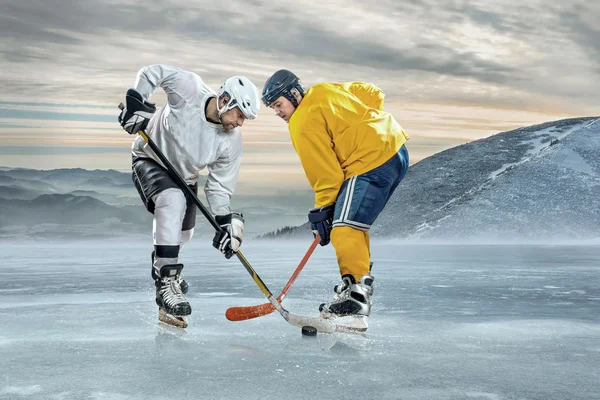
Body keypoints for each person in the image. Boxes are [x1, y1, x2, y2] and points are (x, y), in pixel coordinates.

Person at [118, 64, 260, 323]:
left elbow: (218, 186)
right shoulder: (189, 88)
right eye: (240, 114)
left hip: (185, 177)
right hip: (151, 158)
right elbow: (153, 72)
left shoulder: (231, 140)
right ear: (225, 101)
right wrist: (136, 101)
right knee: (172, 201)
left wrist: (224, 222)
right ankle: (166, 282)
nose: (240, 123)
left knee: (183, 233)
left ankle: (162, 264)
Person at [262, 70, 409, 319]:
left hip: (369, 161)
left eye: (278, 104)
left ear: (294, 94)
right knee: (355, 225)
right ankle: (359, 284)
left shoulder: (301, 121)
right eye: (273, 107)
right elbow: (373, 93)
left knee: (343, 228)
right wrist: (367, 124)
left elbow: (327, 176)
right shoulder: (325, 90)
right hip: (397, 151)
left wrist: (321, 212)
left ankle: (355, 299)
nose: (277, 111)